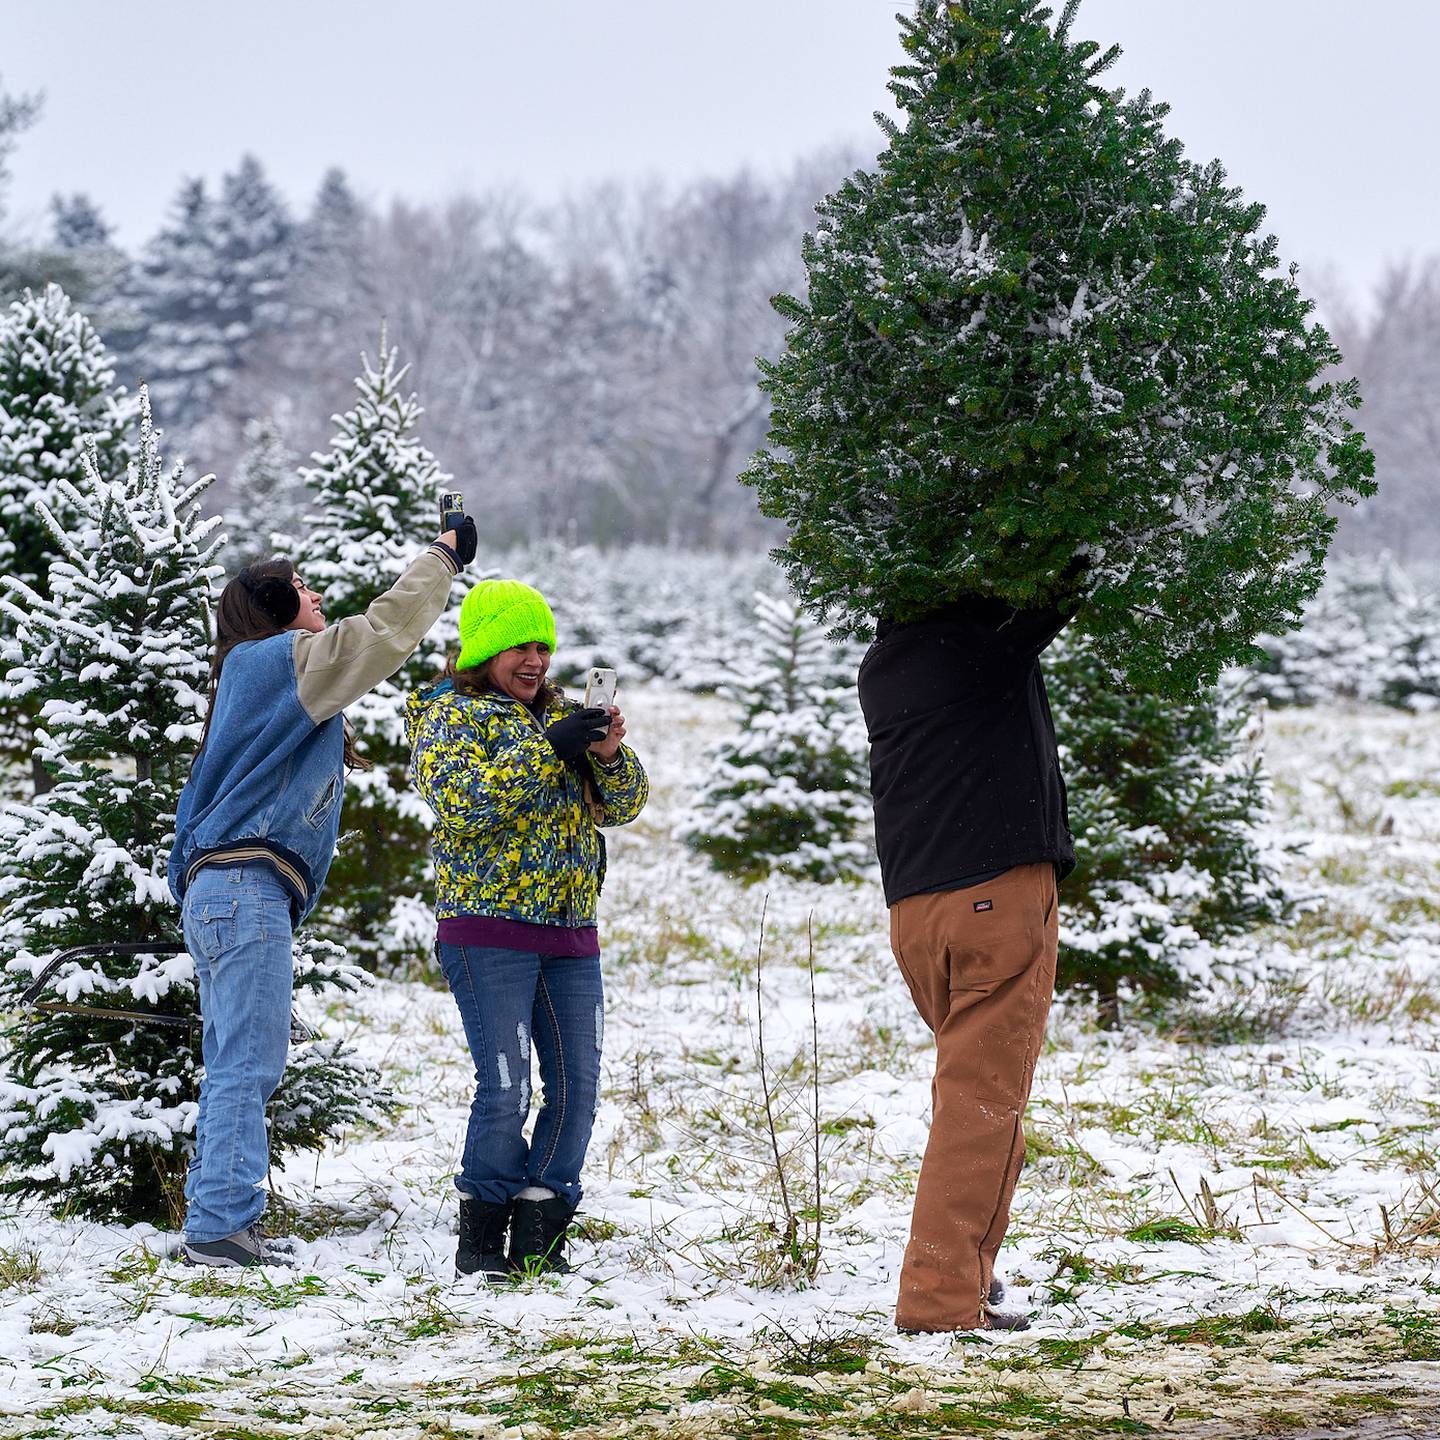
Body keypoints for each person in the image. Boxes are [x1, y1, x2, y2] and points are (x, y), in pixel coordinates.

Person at [168, 518, 476, 1267]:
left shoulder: (246, 674)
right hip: (244, 888)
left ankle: (220, 1218)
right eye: (304, 590)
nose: (317, 598)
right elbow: (383, 632)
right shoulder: (278, 661)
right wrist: (443, 557)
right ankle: (219, 1227)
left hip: (223, 889)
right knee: (249, 1061)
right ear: (276, 609)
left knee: (235, 1057)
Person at [405, 579, 648, 1282]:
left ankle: (543, 1227)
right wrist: (550, 748)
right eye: (520, 645)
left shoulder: (563, 713)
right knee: (506, 1084)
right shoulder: (449, 716)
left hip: (571, 933)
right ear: (484, 650)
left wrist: (605, 755)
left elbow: (623, 806)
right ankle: (482, 1239)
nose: (535, 659)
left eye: (543, 645)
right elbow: (464, 805)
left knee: (577, 1086)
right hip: (488, 933)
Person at [856, 594, 1077, 1333]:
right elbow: (1063, 586)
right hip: (995, 898)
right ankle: (941, 1299)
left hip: (917, 912)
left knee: (974, 1096)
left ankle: (966, 1273)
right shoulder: (976, 648)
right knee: (981, 1105)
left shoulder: (885, 663)